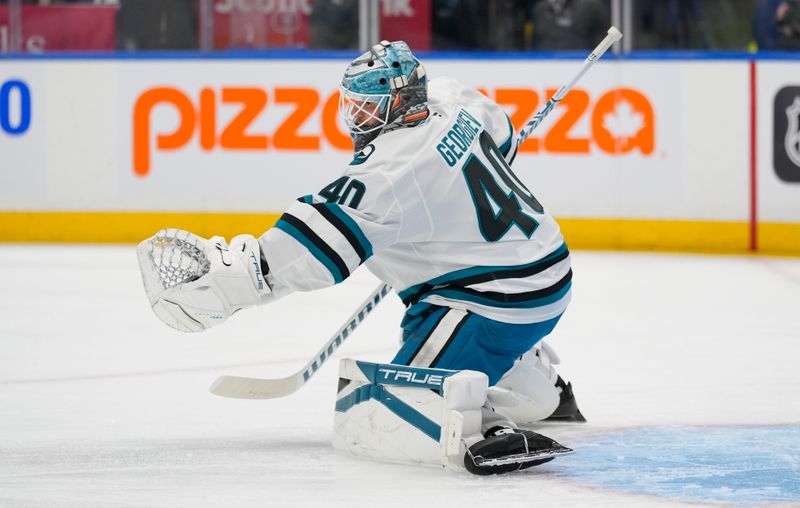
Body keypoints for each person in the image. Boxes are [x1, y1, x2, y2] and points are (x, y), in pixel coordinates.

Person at [137, 40, 584, 475]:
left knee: (396, 409)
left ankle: (492, 417)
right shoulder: (452, 99)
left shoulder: (390, 171)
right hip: (543, 271)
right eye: (354, 104)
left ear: (402, 102)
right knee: (423, 337)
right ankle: (534, 373)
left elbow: (310, 250)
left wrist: (230, 283)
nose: (356, 116)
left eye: (368, 106)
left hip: (493, 301)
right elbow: (503, 137)